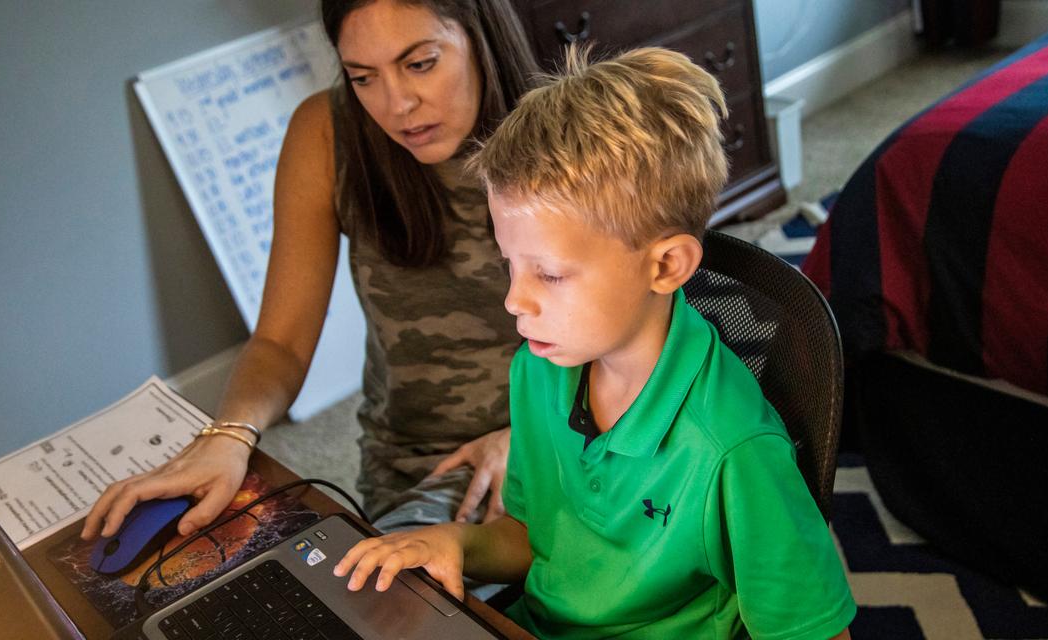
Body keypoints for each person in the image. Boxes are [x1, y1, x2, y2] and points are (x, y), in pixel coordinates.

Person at [331, 47, 857, 639]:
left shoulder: (733, 451)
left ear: (666, 267)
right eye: (511, 266)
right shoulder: (542, 369)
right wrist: (455, 542)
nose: (514, 301)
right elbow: (537, 539)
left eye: (549, 274)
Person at [81, 0, 539, 545]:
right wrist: (229, 435)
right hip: (410, 461)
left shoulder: (570, 134)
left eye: (420, 64)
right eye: (362, 77)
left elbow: (648, 341)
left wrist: (529, 435)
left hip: (567, 442)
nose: (397, 105)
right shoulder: (326, 132)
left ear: (480, 34)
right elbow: (281, 341)